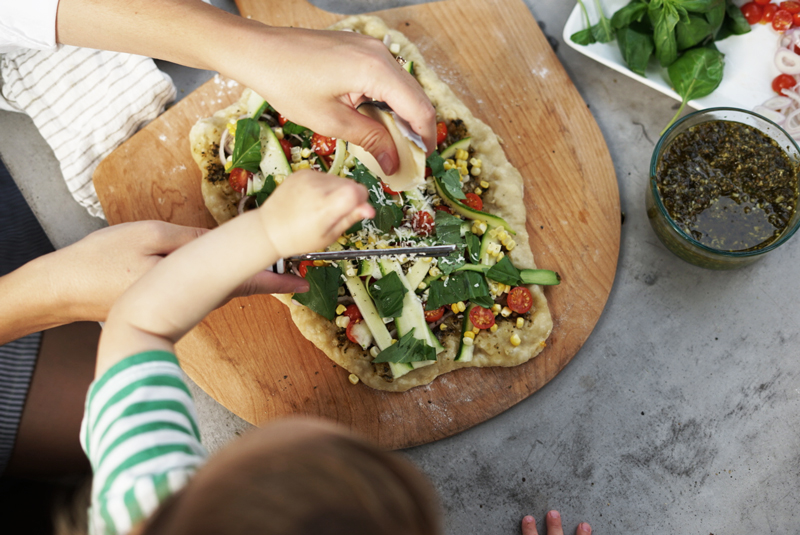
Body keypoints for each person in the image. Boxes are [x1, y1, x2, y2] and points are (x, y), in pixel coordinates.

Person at [0, 0, 435, 478]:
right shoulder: (145, 481)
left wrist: (48, 293)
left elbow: (138, 326)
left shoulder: (147, 485)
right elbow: (138, 327)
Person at [84, 167, 592, 535]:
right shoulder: (144, 506)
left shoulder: (145, 504)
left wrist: (265, 231)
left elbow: (137, 322)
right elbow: (140, 327)